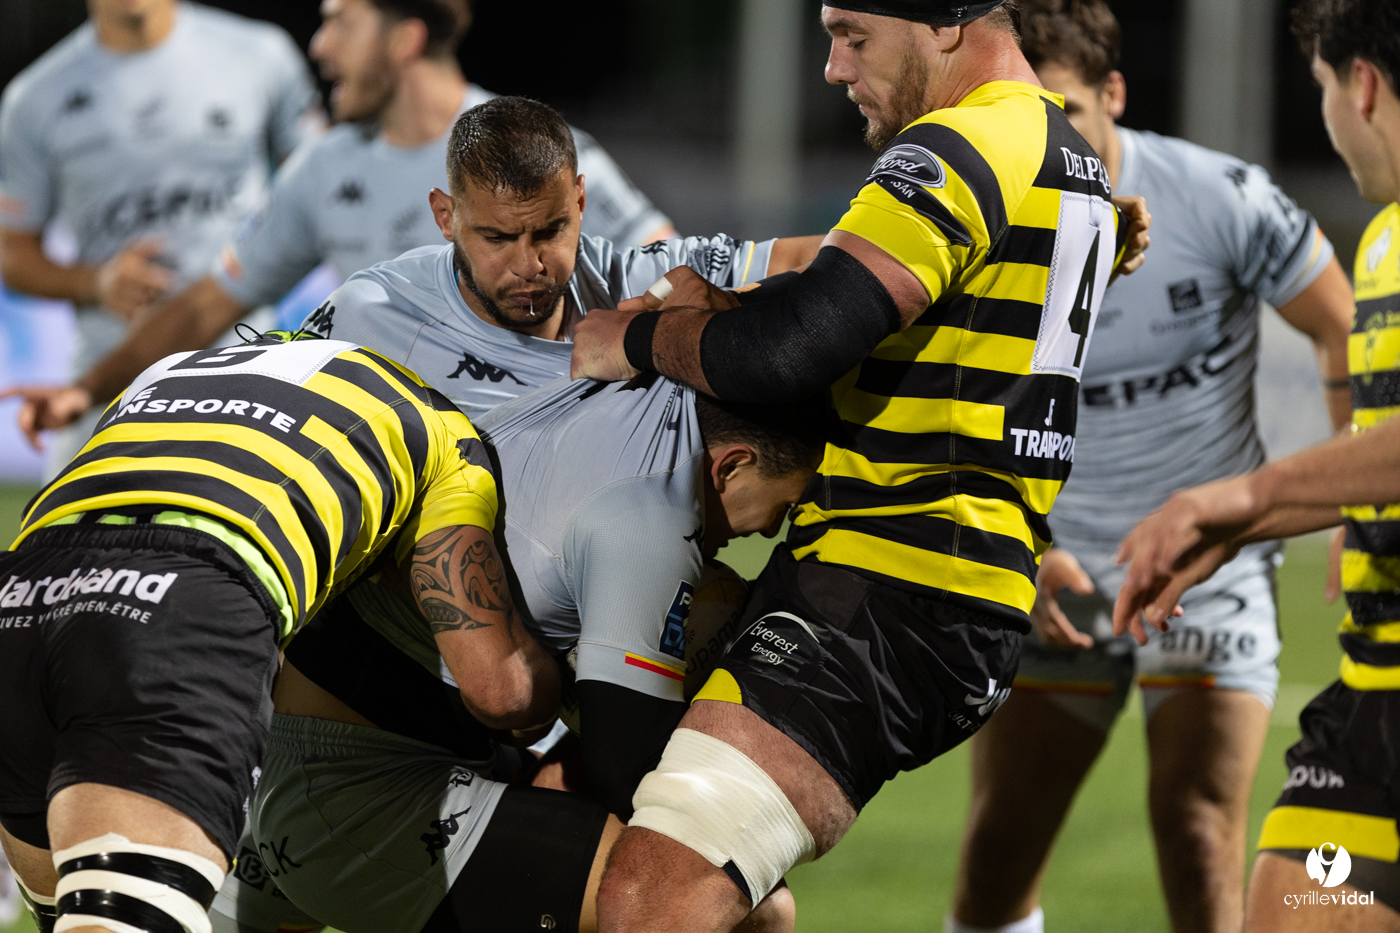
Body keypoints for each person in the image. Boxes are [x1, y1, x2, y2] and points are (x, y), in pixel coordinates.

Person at [569, 2, 1151, 929]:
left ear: (949, 25)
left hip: (890, 592)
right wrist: (729, 312)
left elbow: (799, 348)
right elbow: (886, 339)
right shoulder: (1064, 155)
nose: (835, 69)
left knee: (649, 894)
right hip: (921, 586)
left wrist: (637, 338)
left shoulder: (961, 147)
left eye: (853, 35)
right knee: (629, 835)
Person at [946, 4, 1356, 932]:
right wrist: (1023, 548)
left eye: (1070, 115)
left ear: (1116, 96)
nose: (1050, 146)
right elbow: (954, 420)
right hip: (1061, 572)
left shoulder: (1221, 198)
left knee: (1199, 829)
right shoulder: (975, 224)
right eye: (1026, 120)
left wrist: (1355, 505)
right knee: (998, 849)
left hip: (1205, 574)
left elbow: (1341, 324)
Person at [0, 331, 559, 933]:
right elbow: (502, 694)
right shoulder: (436, 426)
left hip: (22, 587)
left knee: (67, 915)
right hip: (184, 608)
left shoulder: (175, 369)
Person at [233, 374, 824, 933]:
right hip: (350, 807)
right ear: (733, 465)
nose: (768, 530)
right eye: (781, 507)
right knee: (742, 905)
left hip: (324, 759)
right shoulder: (649, 519)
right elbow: (628, 764)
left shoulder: (618, 401)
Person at [5, 0, 675, 451]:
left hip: (535, 460)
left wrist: (616, 368)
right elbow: (208, 304)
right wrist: (86, 390)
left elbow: (672, 266)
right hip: (390, 474)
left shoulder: (531, 148)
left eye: (341, 23)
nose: (319, 47)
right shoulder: (323, 169)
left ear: (405, 39)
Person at [1115, 3, 1400, 931]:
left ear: (1359, 84)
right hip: (1376, 689)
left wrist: (1242, 492)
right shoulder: (1388, 241)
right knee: (1284, 902)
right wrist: (1230, 526)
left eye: (1320, 89)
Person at [311, 96, 823, 417]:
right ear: (446, 217)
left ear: (580, 203)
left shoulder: (639, 280)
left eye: (551, 231)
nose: (529, 264)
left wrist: (727, 305)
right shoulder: (368, 313)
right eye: (496, 239)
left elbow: (835, 258)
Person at [0, 0, 322, 476]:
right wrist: (97, 283)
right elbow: (13, 255)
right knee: (69, 550)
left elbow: (320, 190)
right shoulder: (35, 97)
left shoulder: (260, 54)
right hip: (111, 379)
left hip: (248, 377)